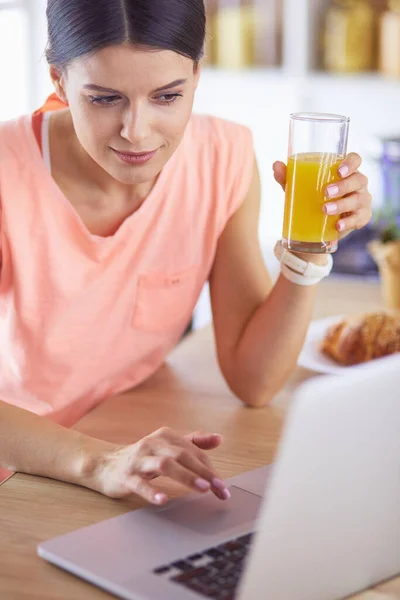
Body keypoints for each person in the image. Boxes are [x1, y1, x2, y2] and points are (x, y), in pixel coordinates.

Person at [0, 0, 372, 505]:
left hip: (125, 432)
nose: (138, 131)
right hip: (23, 464)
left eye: (167, 96)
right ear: (60, 82)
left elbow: (254, 381)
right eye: (105, 99)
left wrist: (310, 248)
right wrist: (99, 460)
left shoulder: (223, 158)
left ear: (197, 75)